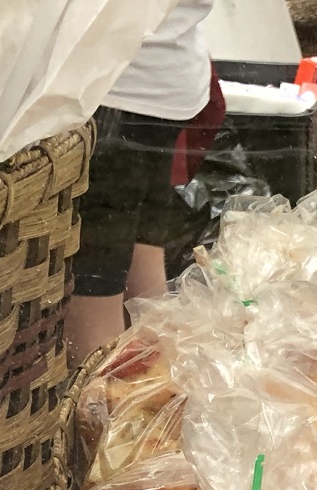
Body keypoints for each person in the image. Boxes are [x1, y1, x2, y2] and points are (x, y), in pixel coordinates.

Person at [68, 0, 222, 364]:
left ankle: (114, 412)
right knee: (144, 282)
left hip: (113, 86)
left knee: (92, 318)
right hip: (165, 74)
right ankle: (156, 399)